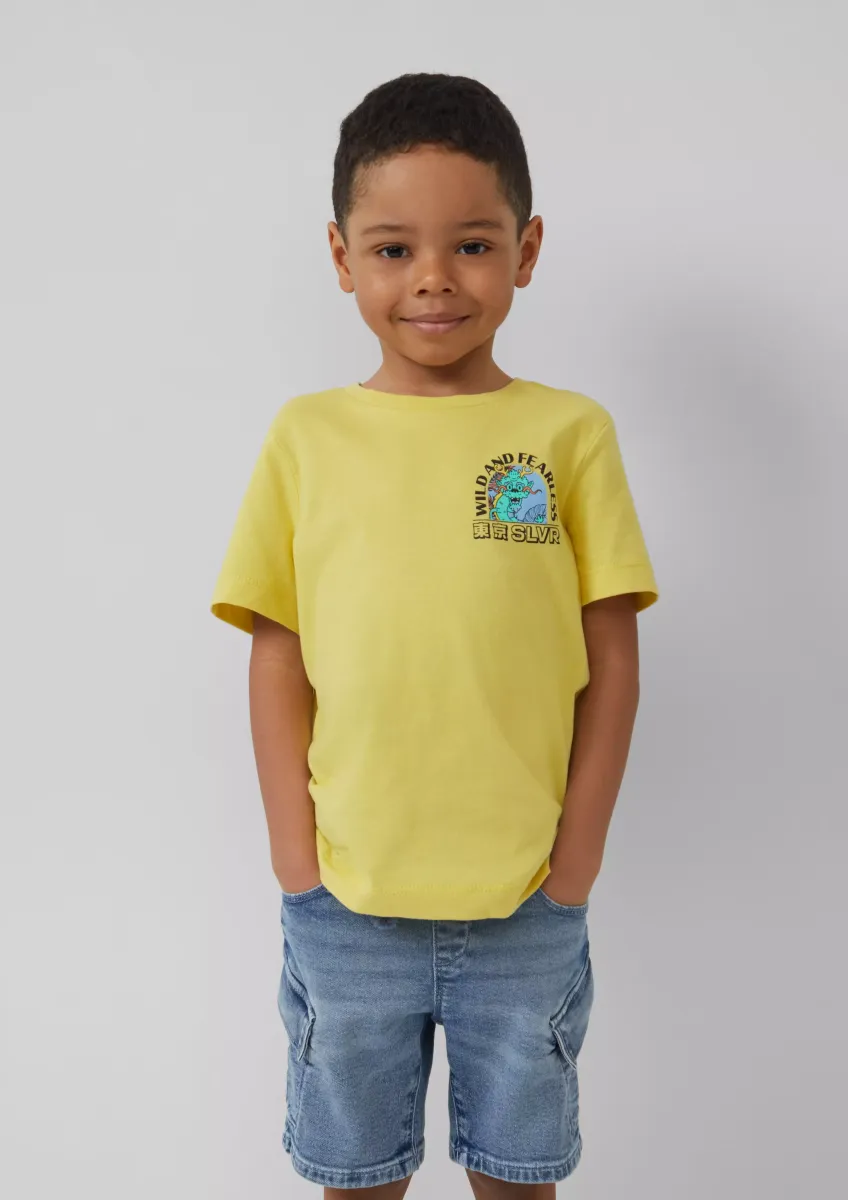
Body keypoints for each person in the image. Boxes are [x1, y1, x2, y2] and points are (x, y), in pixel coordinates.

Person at [210, 72, 659, 1200]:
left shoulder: (567, 434)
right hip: (347, 905)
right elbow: (277, 656)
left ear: (526, 248)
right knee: (355, 1176)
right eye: (392, 249)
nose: (433, 279)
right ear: (340, 255)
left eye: (470, 244)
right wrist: (297, 865)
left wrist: (574, 866)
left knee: (520, 1175)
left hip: (525, 906)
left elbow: (609, 663)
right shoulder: (307, 437)